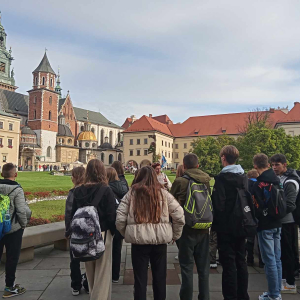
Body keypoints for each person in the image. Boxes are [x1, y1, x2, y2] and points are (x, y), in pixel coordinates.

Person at [116, 166, 184, 300]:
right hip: (159, 242)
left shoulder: (132, 194)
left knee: (140, 280)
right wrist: (175, 235)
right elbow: (180, 216)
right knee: (160, 278)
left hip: (139, 242)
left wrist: (128, 233)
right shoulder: (164, 194)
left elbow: (119, 219)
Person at [71, 159, 116, 300]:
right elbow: (111, 216)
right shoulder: (106, 190)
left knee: (89, 271)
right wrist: (113, 233)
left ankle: (94, 295)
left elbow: (73, 214)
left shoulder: (78, 191)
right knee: (102, 273)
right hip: (102, 233)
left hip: (83, 234)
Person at [171, 153, 211, 300]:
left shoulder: (180, 181)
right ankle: (204, 296)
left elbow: (172, 204)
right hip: (204, 226)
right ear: (198, 165)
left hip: (186, 228)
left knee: (187, 267)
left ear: (184, 166)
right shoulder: (206, 180)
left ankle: (186, 297)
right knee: (203, 268)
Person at [212, 145, 249, 300]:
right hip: (242, 224)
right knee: (241, 261)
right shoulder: (244, 177)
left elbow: (219, 205)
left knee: (228, 264)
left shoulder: (221, 179)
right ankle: (243, 295)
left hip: (226, 227)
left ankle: (230, 296)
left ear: (223, 158)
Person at [252, 154, 282, 300]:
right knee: (277, 259)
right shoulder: (276, 180)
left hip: (265, 225)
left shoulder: (259, 184)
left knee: (269, 260)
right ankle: (277, 291)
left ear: (255, 166)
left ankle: (273, 295)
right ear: (269, 165)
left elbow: (256, 206)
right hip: (278, 222)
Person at [0, 163, 30, 298]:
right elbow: (21, 210)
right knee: (12, 259)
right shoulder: (17, 189)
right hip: (13, 229)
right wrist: (23, 225)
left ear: (2, 174)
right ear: (15, 174)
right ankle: (9, 287)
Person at [270, 154, 299, 294]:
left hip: (288, 222)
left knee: (288, 253)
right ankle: (286, 281)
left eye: (277, 165)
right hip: (284, 221)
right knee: (283, 253)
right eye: (273, 165)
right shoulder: (282, 178)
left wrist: (276, 215)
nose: (274, 167)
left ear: (284, 165)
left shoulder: (290, 181)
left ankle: (290, 283)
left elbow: (290, 204)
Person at [65, 166, 89, 296]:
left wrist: (67, 231)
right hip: (89, 228)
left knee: (74, 259)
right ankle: (88, 283)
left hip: (75, 229)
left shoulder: (73, 193)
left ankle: (76, 285)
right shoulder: (90, 190)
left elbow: (68, 213)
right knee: (90, 257)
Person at [106, 167, 129, 283]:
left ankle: (107, 272)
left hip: (111, 221)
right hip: (121, 219)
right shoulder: (124, 185)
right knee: (117, 248)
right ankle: (115, 275)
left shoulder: (107, 188)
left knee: (108, 248)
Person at [246, 169, 263, 268]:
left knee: (249, 239)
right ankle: (261, 261)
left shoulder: (245, 185)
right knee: (260, 239)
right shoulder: (259, 185)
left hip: (248, 215)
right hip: (258, 214)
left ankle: (250, 259)